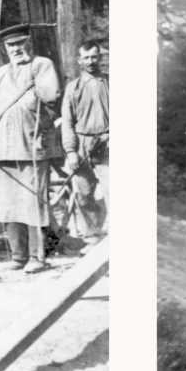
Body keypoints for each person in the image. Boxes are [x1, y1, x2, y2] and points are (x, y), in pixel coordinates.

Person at [0, 25, 61, 273]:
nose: (17, 49)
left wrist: (35, 79)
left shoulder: (42, 65)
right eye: (11, 46)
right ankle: (18, 257)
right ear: (5, 49)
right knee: (8, 205)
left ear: (30, 43)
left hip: (31, 148)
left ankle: (39, 257)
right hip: (2, 150)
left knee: (34, 204)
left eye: (21, 43)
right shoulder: (0, 75)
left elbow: (52, 96)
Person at [61, 38, 109, 244]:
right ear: (79, 60)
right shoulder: (73, 87)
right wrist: (71, 151)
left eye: (94, 56)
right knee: (83, 194)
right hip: (82, 146)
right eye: (86, 57)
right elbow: (67, 122)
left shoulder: (110, 82)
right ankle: (93, 238)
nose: (91, 61)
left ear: (100, 57)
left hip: (107, 144)